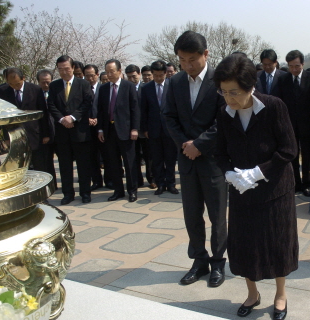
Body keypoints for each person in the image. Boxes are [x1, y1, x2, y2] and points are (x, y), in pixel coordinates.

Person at [214, 53, 298, 320]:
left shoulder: (274, 107)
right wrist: (229, 173)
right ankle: (252, 294)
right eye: (224, 92)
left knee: (277, 243)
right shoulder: (225, 113)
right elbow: (219, 151)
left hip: (275, 191)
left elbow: (289, 150)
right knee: (244, 243)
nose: (230, 99)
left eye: (235, 92)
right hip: (242, 191)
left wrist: (258, 172)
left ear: (251, 87)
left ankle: (280, 294)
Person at [163, 31, 228, 287]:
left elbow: (224, 118)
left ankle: (218, 263)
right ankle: (199, 260)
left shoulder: (219, 80)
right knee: (192, 214)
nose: (188, 65)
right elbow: (168, 116)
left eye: (192, 59)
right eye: (182, 60)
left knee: (217, 214)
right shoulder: (176, 82)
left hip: (213, 159)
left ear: (206, 54)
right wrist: (185, 144)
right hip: (187, 159)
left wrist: (199, 144)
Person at [47, 55, 94, 205]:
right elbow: (51, 105)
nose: (64, 72)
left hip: (80, 131)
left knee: (83, 165)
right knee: (65, 165)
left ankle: (85, 193)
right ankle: (68, 194)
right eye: (60, 69)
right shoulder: (54, 86)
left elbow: (87, 103)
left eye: (67, 68)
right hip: (62, 132)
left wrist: (73, 117)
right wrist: (62, 119)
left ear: (73, 68)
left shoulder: (83, 84)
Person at [97, 59, 140, 203]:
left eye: (112, 71)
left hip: (126, 131)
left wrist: (135, 128)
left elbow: (135, 109)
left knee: (129, 163)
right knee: (113, 164)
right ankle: (118, 191)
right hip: (109, 131)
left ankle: (132, 190)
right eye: (107, 71)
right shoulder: (103, 89)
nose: (109, 74)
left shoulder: (128, 86)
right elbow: (101, 111)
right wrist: (101, 129)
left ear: (119, 71)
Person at [278, 50, 310, 197]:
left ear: (302, 64)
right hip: (289, 124)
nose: (294, 69)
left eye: (297, 66)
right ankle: (295, 183)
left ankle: (307, 183)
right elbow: (280, 102)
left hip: (308, 123)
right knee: (292, 154)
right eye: (291, 66)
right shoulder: (283, 80)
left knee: (307, 154)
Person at [0, 68, 50, 174]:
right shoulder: (2, 91)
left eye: (17, 83)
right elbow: (2, 116)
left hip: (34, 133)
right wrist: (6, 137)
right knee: (20, 167)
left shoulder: (35, 89)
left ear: (23, 78)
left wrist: (46, 134)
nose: (14, 86)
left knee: (40, 165)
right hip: (14, 134)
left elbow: (43, 113)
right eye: (10, 84)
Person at [140, 60, 178, 195]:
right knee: (157, 159)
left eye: (160, 75)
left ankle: (171, 184)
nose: (158, 78)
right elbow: (143, 110)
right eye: (155, 75)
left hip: (169, 129)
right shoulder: (146, 88)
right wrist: (144, 128)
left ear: (165, 73)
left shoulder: (172, 85)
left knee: (170, 158)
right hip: (153, 129)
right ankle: (160, 184)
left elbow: (177, 108)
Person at [83, 63, 105, 191]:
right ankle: (96, 180)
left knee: (107, 155)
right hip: (87, 128)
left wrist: (98, 119)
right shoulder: (82, 88)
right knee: (92, 157)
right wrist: (88, 119)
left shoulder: (104, 88)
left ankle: (110, 179)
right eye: (87, 76)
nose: (90, 78)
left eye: (92, 76)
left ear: (97, 74)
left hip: (102, 126)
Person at [36, 69, 57, 188]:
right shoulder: (35, 94)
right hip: (45, 133)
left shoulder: (57, 92)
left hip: (59, 132)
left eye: (48, 82)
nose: (46, 85)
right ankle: (50, 185)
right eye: (43, 82)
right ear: (38, 82)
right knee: (47, 160)